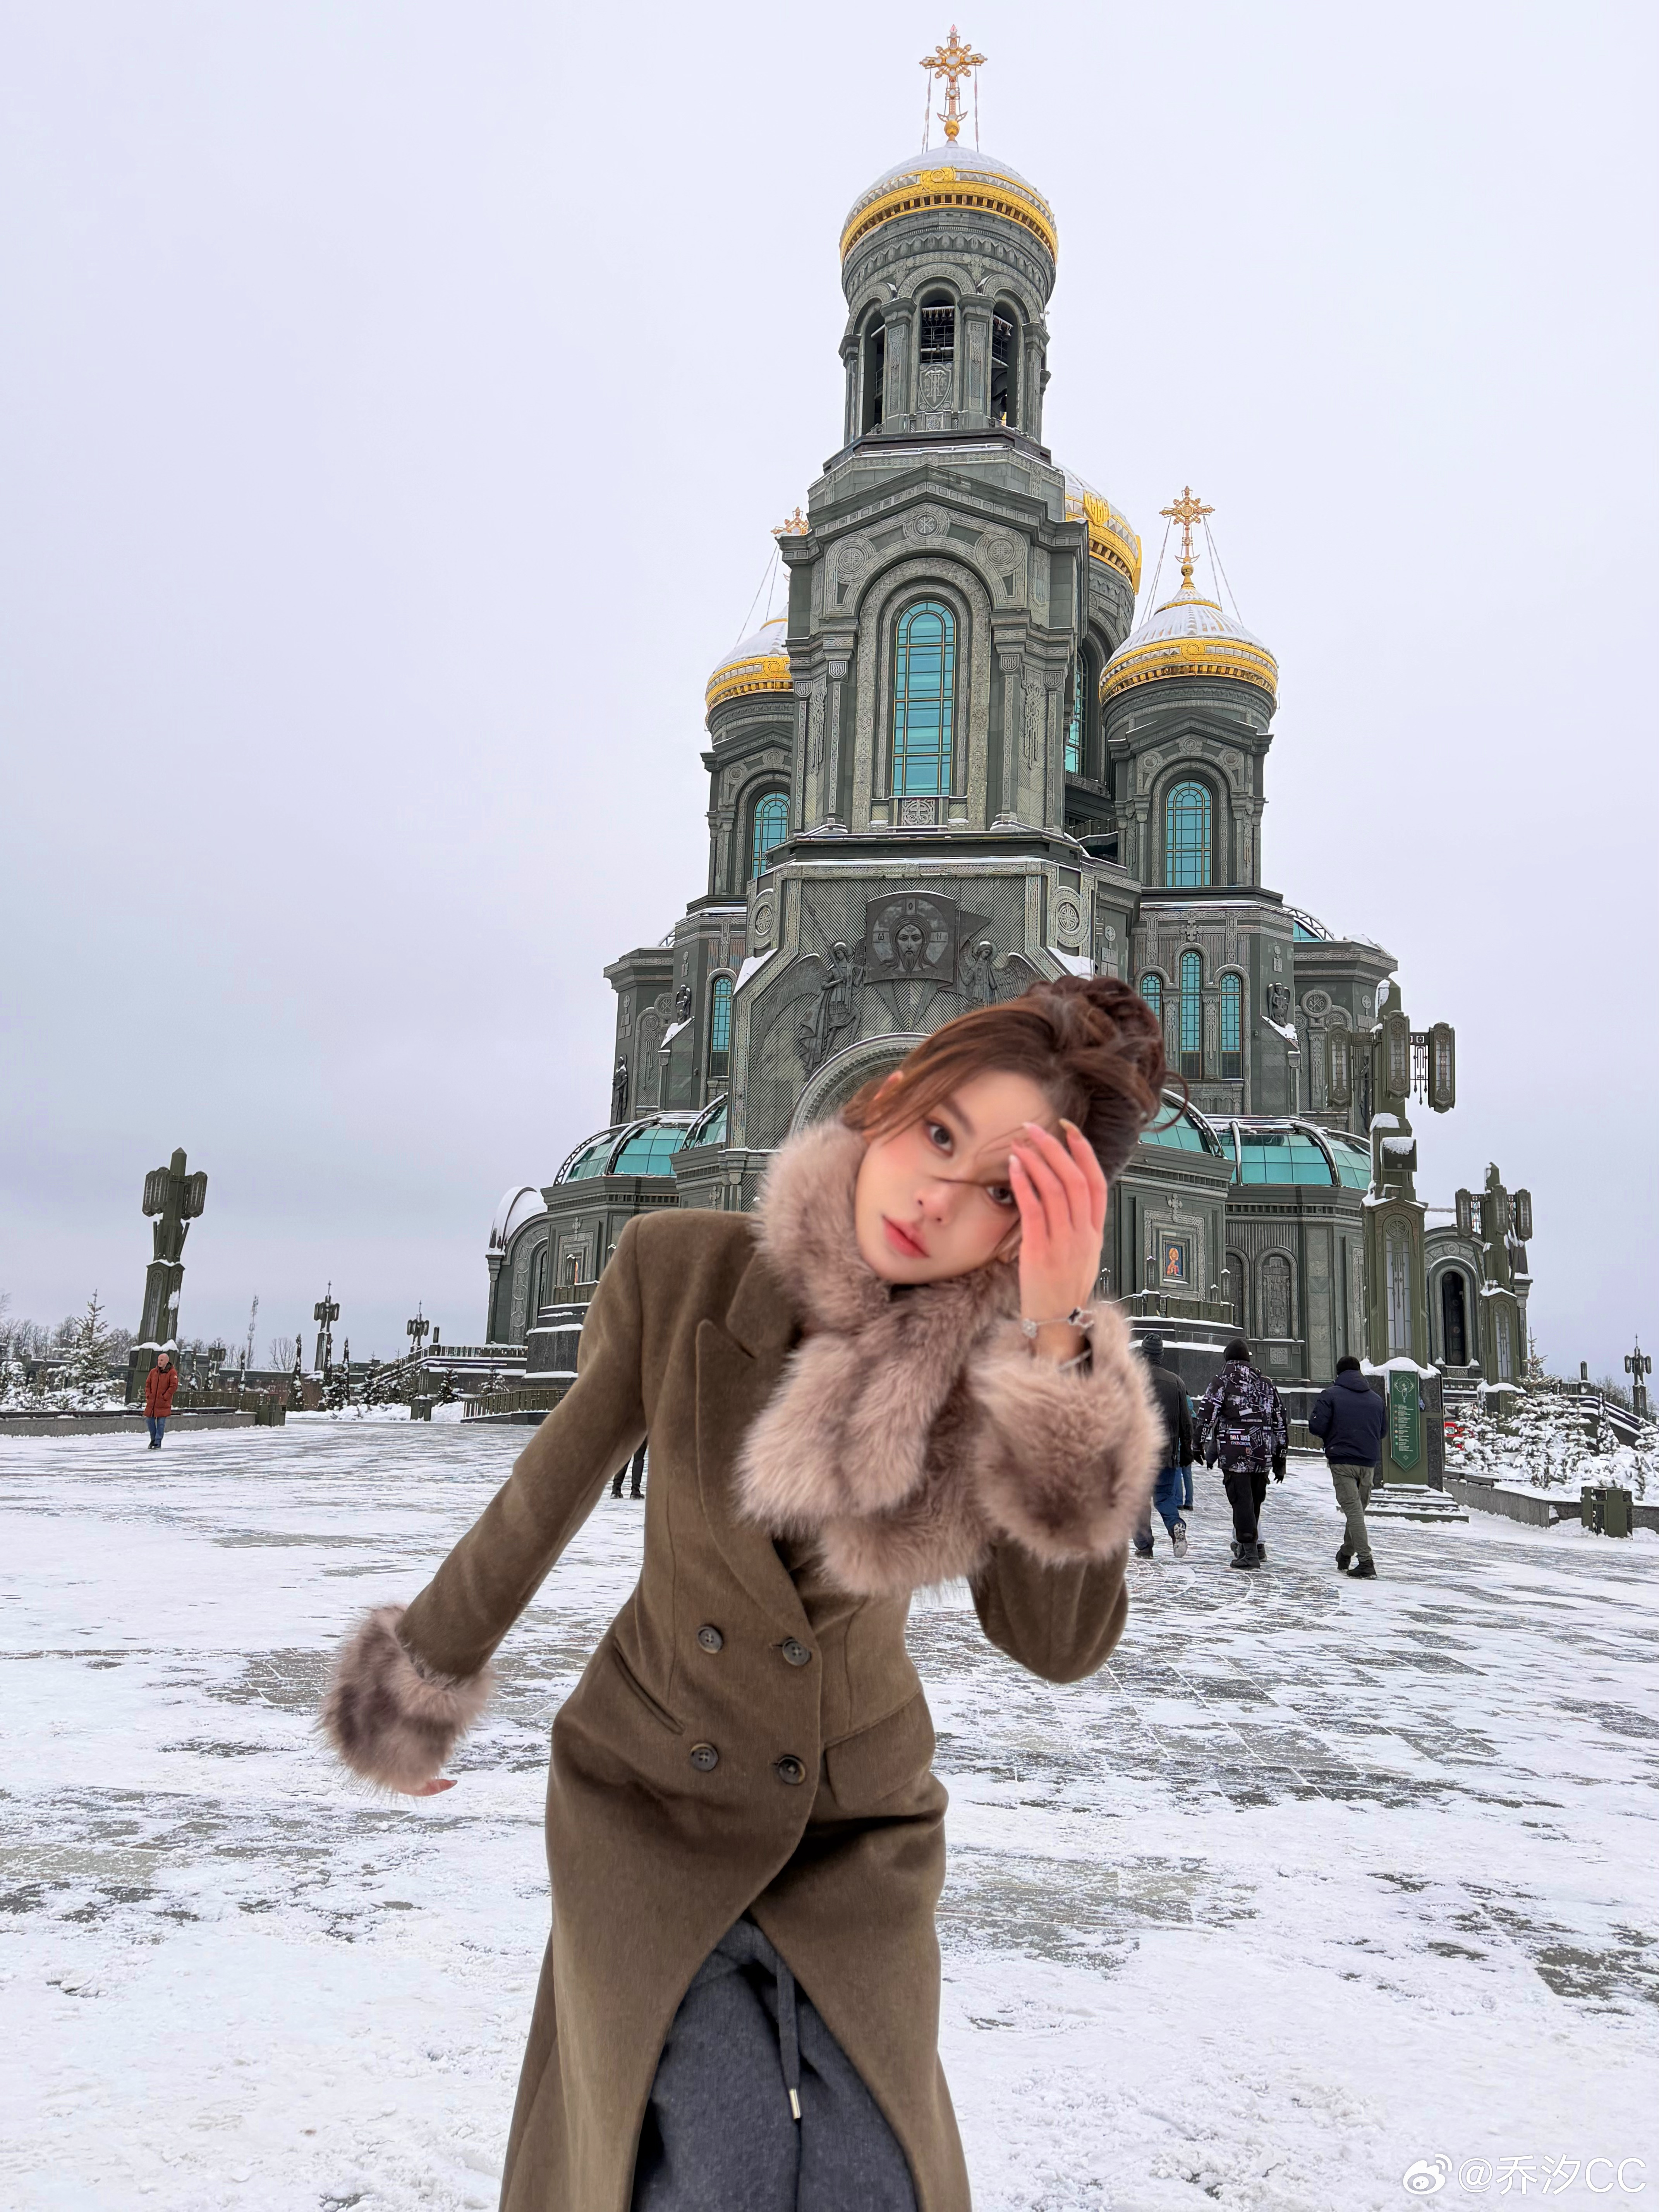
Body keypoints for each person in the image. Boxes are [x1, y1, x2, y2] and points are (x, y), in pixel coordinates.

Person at [319, 977, 1165, 2212]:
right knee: (709, 2162)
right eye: (938, 1134)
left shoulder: (997, 1371)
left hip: (854, 1825)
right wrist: (412, 1690)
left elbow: (1059, 1644)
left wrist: (1058, 1350)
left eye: (1001, 1192)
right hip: (652, 1797)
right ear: (883, 1102)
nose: (937, 1199)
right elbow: (547, 1489)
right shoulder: (681, 1272)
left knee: (875, 2174)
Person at [1197, 1339, 1288, 1570]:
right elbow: (1280, 1421)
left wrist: (1198, 1444)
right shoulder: (1266, 1384)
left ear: (1227, 1359)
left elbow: (1207, 1415)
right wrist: (1281, 1458)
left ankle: (1249, 1553)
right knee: (1255, 1501)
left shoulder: (1222, 1381)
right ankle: (1251, 1546)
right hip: (1262, 1454)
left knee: (1241, 1502)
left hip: (1235, 1453)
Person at [1307, 1354, 1386, 1578]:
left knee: (1353, 1512)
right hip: (1368, 1463)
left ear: (1338, 1374)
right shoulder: (1376, 1399)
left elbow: (1317, 1427)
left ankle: (1366, 1562)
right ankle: (1346, 1553)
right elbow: (1382, 1432)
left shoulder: (1331, 1395)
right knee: (1357, 1511)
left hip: (1342, 1460)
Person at [1132, 1333, 1194, 1559]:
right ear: (1161, 1355)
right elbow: (1186, 1422)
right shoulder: (1176, 1382)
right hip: (1167, 1454)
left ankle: (1144, 1546)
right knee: (1165, 1497)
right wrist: (1187, 1450)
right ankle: (1176, 1525)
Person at [143, 1350, 179, 1448]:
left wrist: (165, 1397)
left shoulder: (172, 1372)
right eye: (159, 1360)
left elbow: (174, 1386)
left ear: (167, 1361)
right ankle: (153, 1440)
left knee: (161, 1424)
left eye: (162, 1360)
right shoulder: (153, 1372)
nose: (159, 1362)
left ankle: (158, 1442)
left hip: (163, 1403)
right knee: (149, 1420)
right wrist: (149, 1395)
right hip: (152, 1402)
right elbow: (147, 1384)